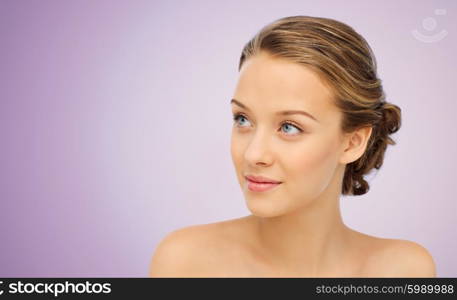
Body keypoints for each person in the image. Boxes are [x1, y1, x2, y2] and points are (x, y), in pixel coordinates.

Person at [149, 15, 436, 277]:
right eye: (243, 119)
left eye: (289, 127)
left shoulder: (402, 270)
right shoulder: (186, 263)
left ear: (352, 142)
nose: (254, 154)